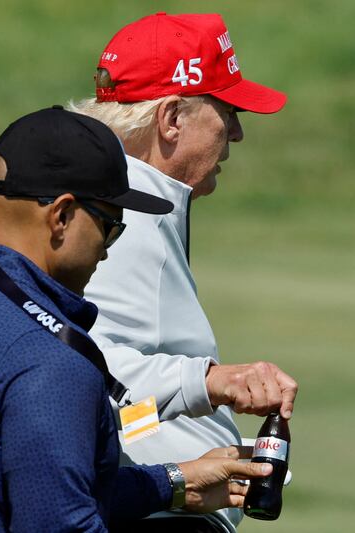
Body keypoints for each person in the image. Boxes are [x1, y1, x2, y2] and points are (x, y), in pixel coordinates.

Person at [0, 107, 274, 532]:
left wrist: (174, 482)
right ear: (62, 217)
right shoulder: (50, 364)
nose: (107, 250)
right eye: (109, 226)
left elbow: (34, 492)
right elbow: (61, 522)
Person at [68, 13, 299, 532]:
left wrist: (196, 439)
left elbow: (116, 400)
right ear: (171, 118)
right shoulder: (119, 221)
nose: (237, 133)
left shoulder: (130, 204)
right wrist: (212, 384)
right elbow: (83, 375)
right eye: (227, 111)